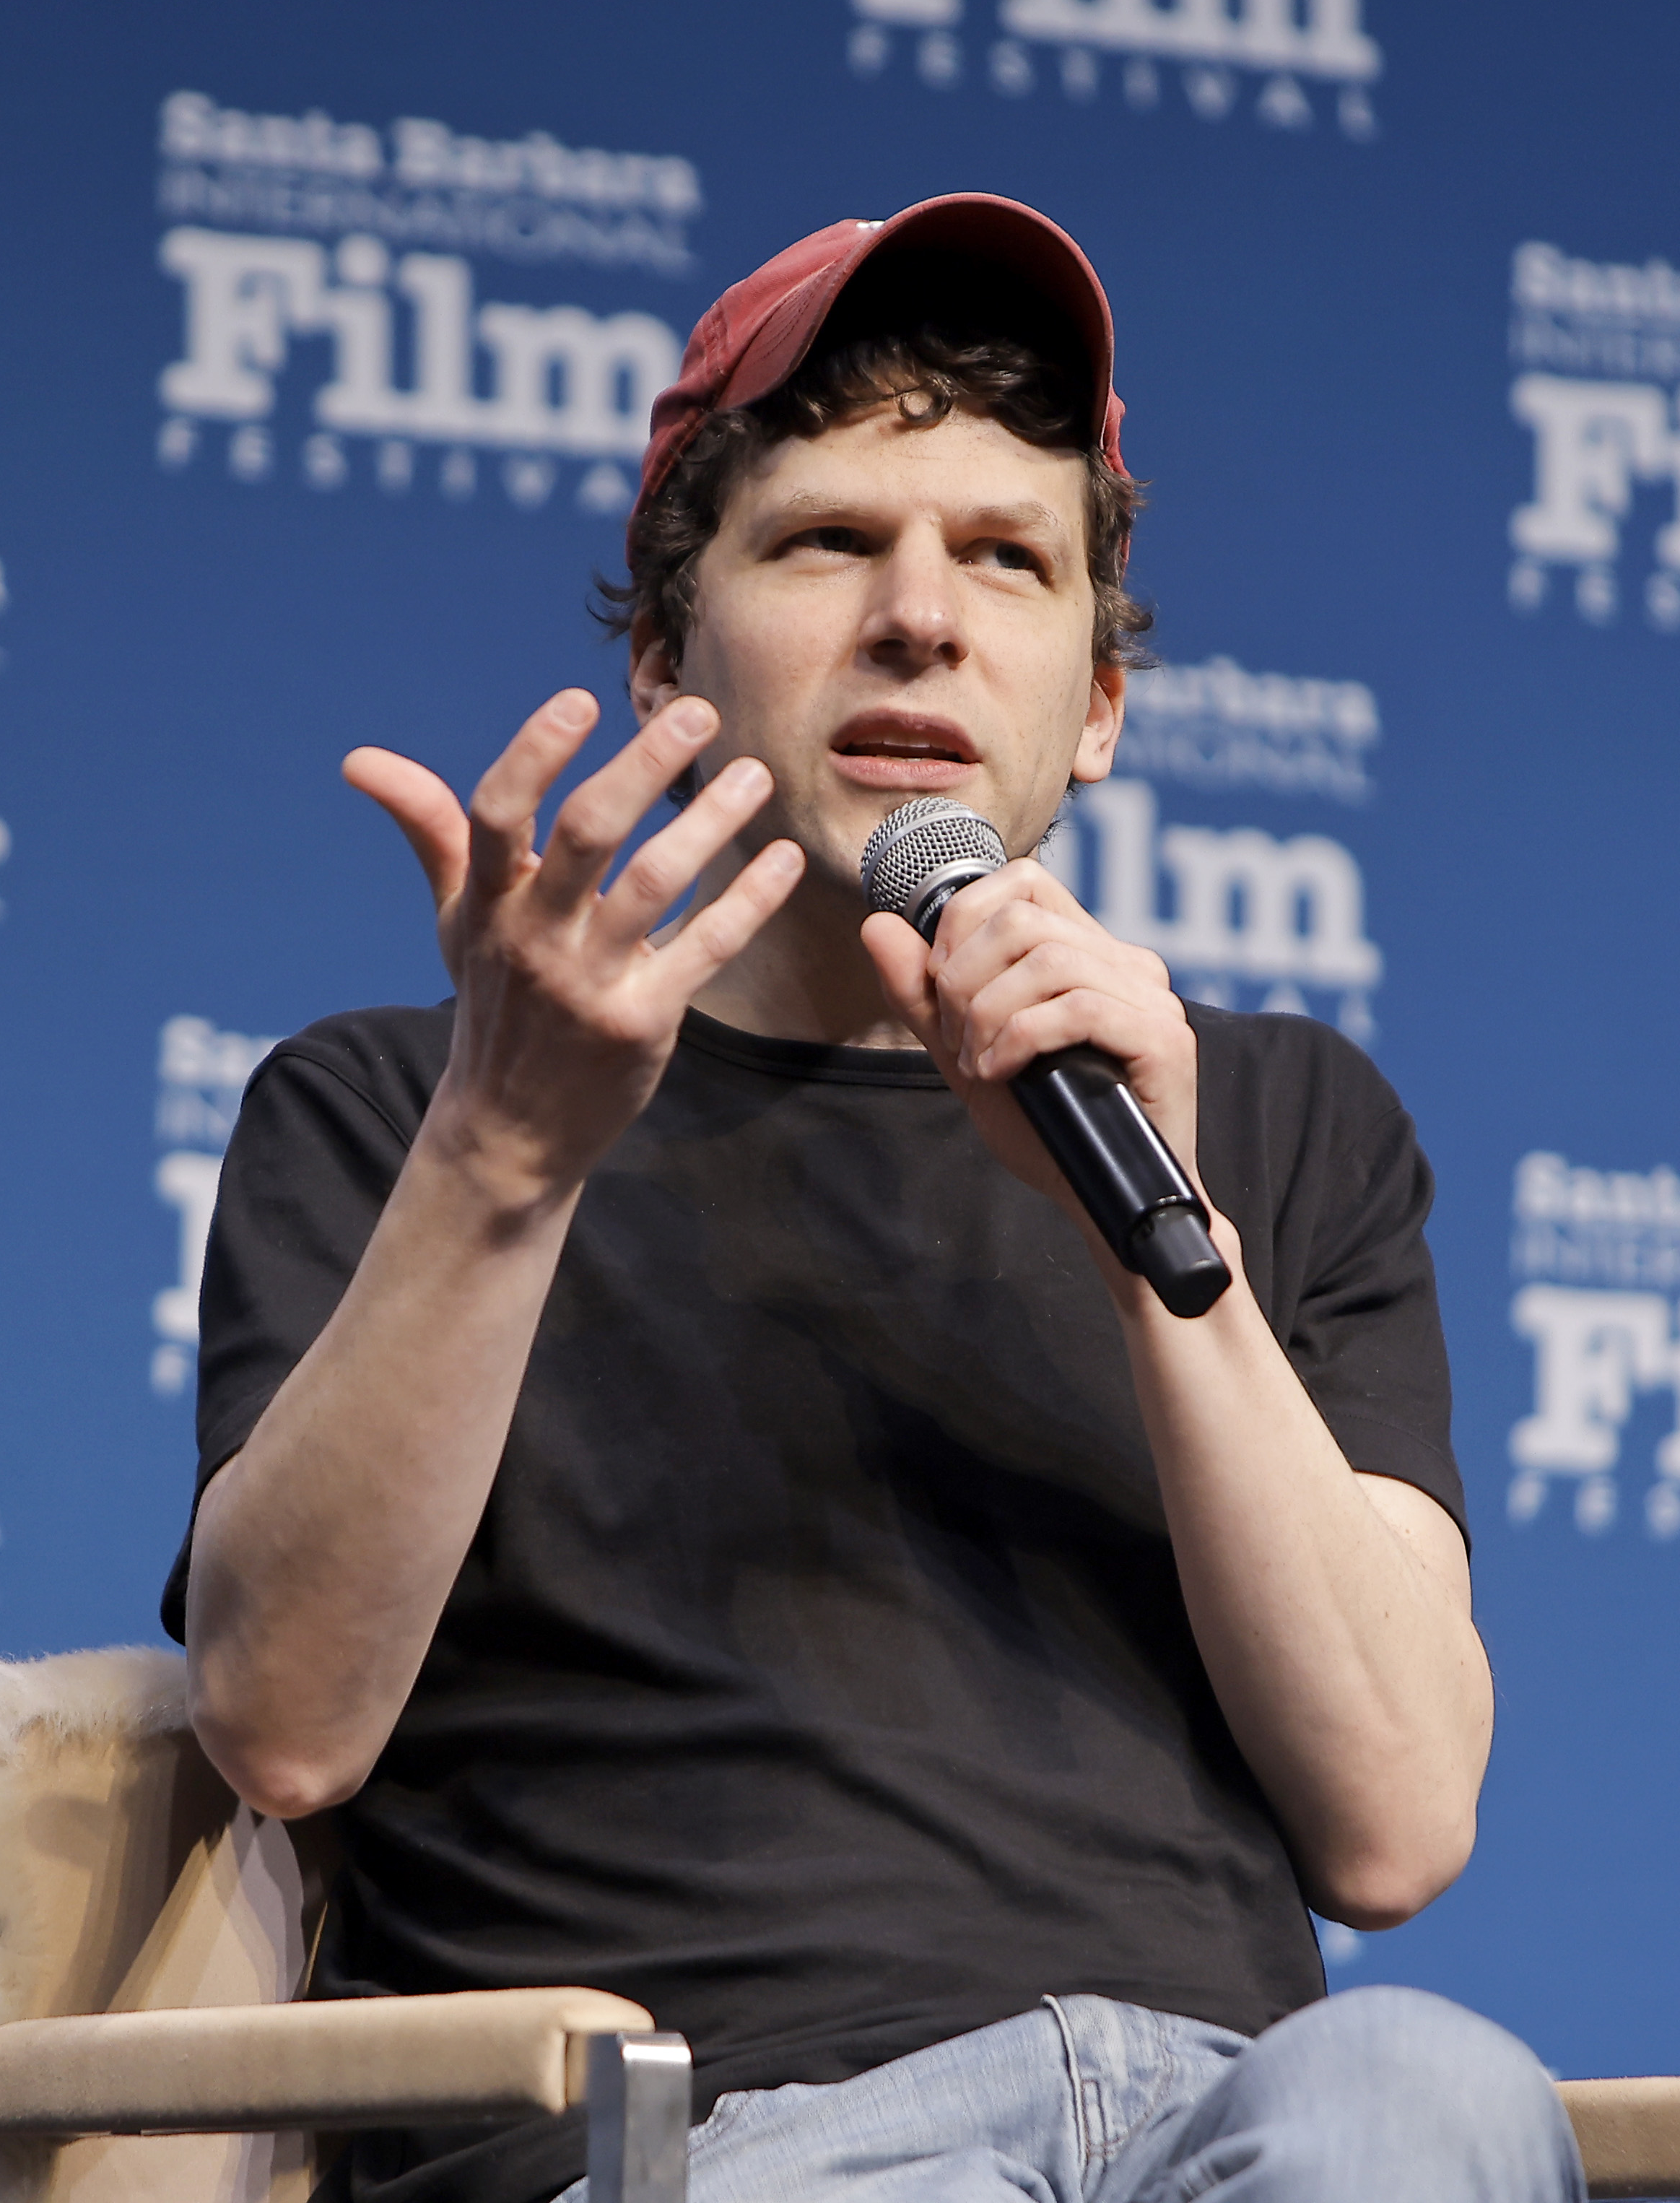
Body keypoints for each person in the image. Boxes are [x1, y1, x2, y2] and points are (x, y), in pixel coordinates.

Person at [161, 194, 1583, 2202]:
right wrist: (509, 1153)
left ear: (1095, 703)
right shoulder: (401, 1108)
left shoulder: (1268, 1117)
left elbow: (1396, 1825)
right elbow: (281, 1728)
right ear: (668, 650)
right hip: (731, 2146)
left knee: (1430, 2088)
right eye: (832, 542)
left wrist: (1154, 1244)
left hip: (1209, 2117)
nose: (921, 616)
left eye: (1008, 560)